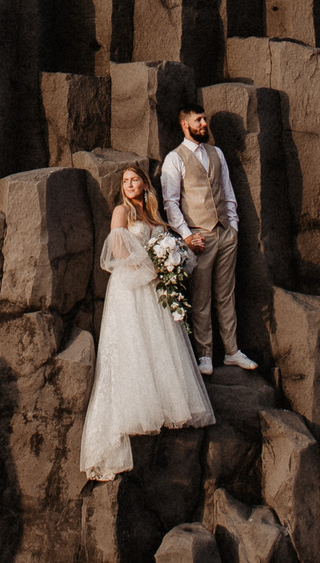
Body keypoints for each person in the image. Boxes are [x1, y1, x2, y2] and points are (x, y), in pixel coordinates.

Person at [81, 166, 215, 480]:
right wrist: (153, 262)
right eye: (125, 181)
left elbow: (167, 244)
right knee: (133, 344)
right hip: (130, 287)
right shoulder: (121, 211)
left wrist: (181, 249)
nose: (129, 185)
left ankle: (165, 406)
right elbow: (117, 250)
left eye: (134, 180)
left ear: (144, 184)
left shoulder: (153, 215)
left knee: (159, 344)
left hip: (154, 289)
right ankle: (134, 413)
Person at [157, 104, 257, 374]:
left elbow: (227, 190)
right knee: (201, 298)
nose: (204, 124)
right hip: (199, 236)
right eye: (198, 120)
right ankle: (205, 355)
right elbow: (171, 203)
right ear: (184, 124)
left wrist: (233, 226)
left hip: (225, 232)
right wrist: (188, 236)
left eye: (204, 120)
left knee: (226, 295)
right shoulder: (174, 158)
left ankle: (232, 351)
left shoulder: (217, 153)